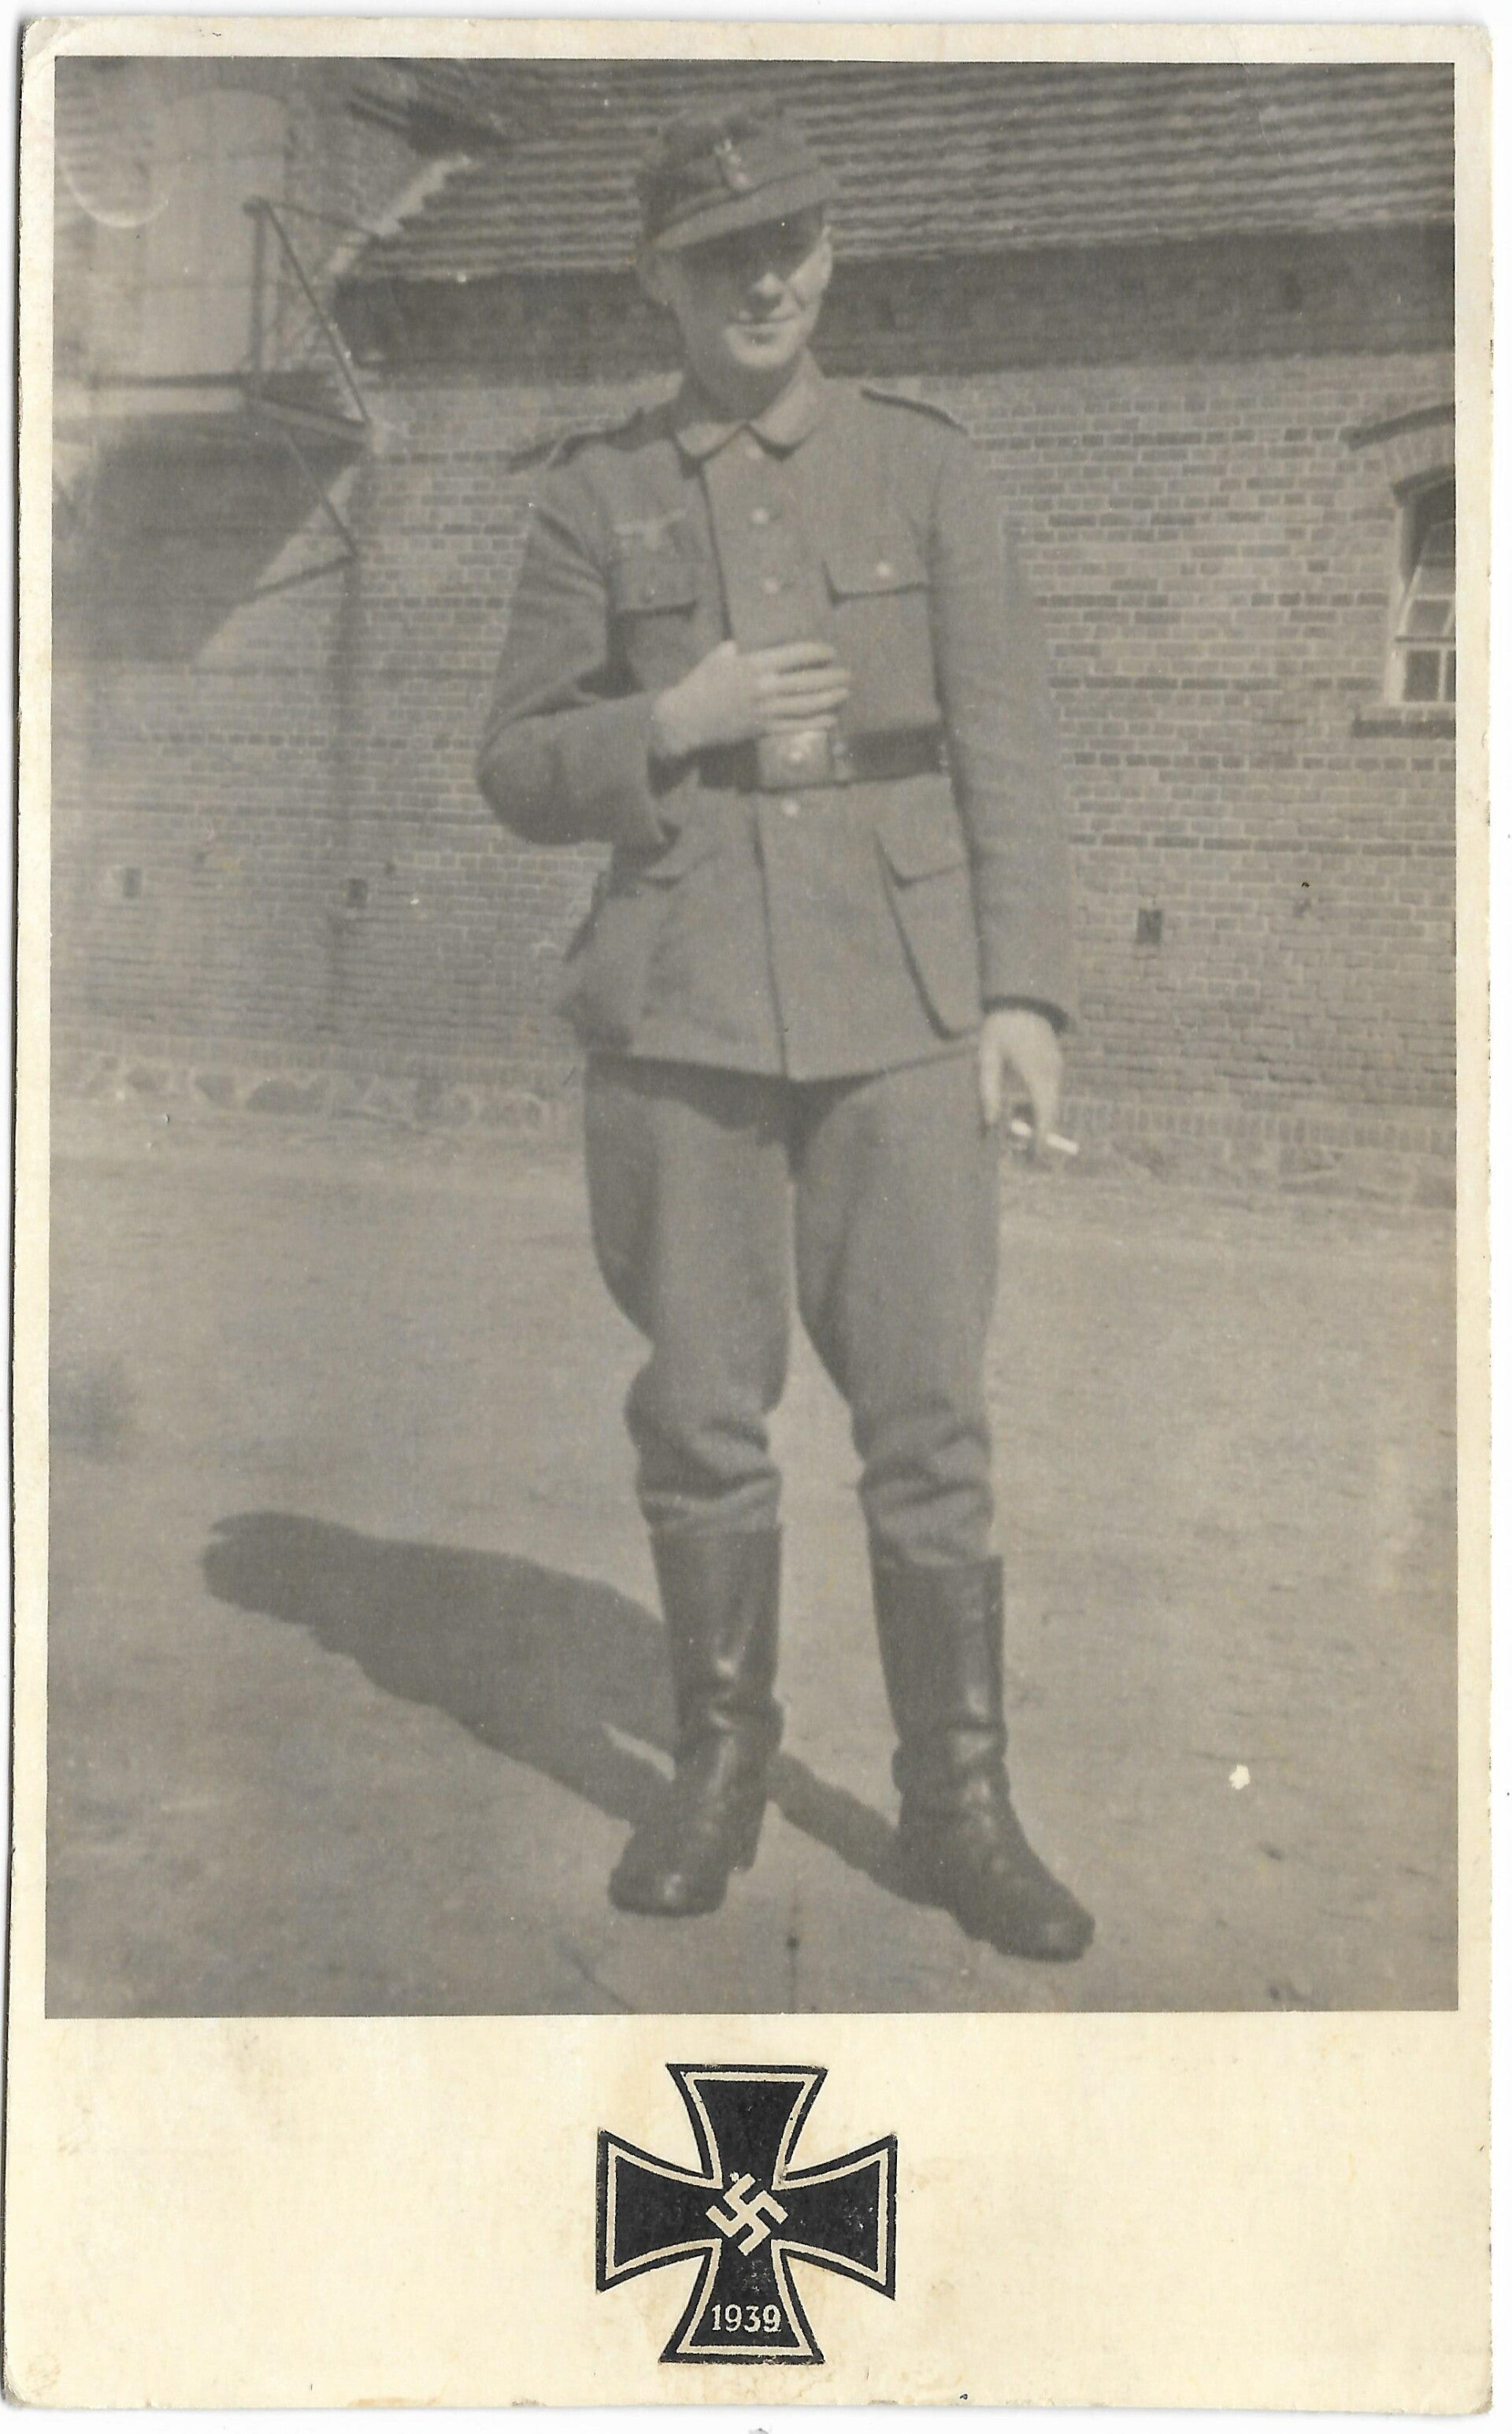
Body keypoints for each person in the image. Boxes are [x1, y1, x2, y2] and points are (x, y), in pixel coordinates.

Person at [477, 98, 1093, 1962]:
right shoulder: (598, 492)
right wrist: (678, 712)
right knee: (701, 1417)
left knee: (930, 1420)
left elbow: (1011, 752)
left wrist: (1023, 997)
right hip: (680, 1011)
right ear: (661, 281)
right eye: (726, 255)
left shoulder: (926, 470)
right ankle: (718, 1768)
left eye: (794, 245)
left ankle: (958, 1806)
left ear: (827, 258)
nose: (769, 279)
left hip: (901, 1014)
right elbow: (516, 760)